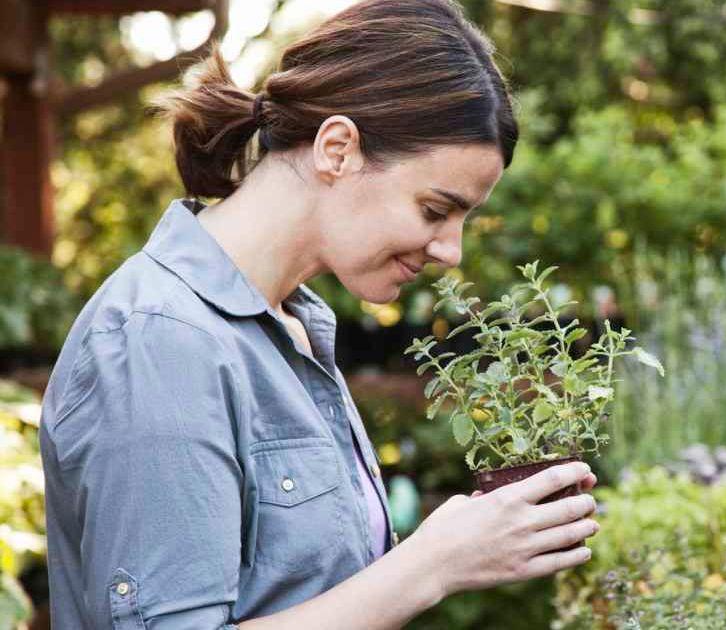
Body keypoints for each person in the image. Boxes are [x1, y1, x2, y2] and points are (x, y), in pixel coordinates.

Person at [37, 1, 600, 627]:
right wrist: (433, 564)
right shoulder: (164, 342)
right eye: (435, 209)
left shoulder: (294, 330)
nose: (451, 250)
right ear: (338, 149)